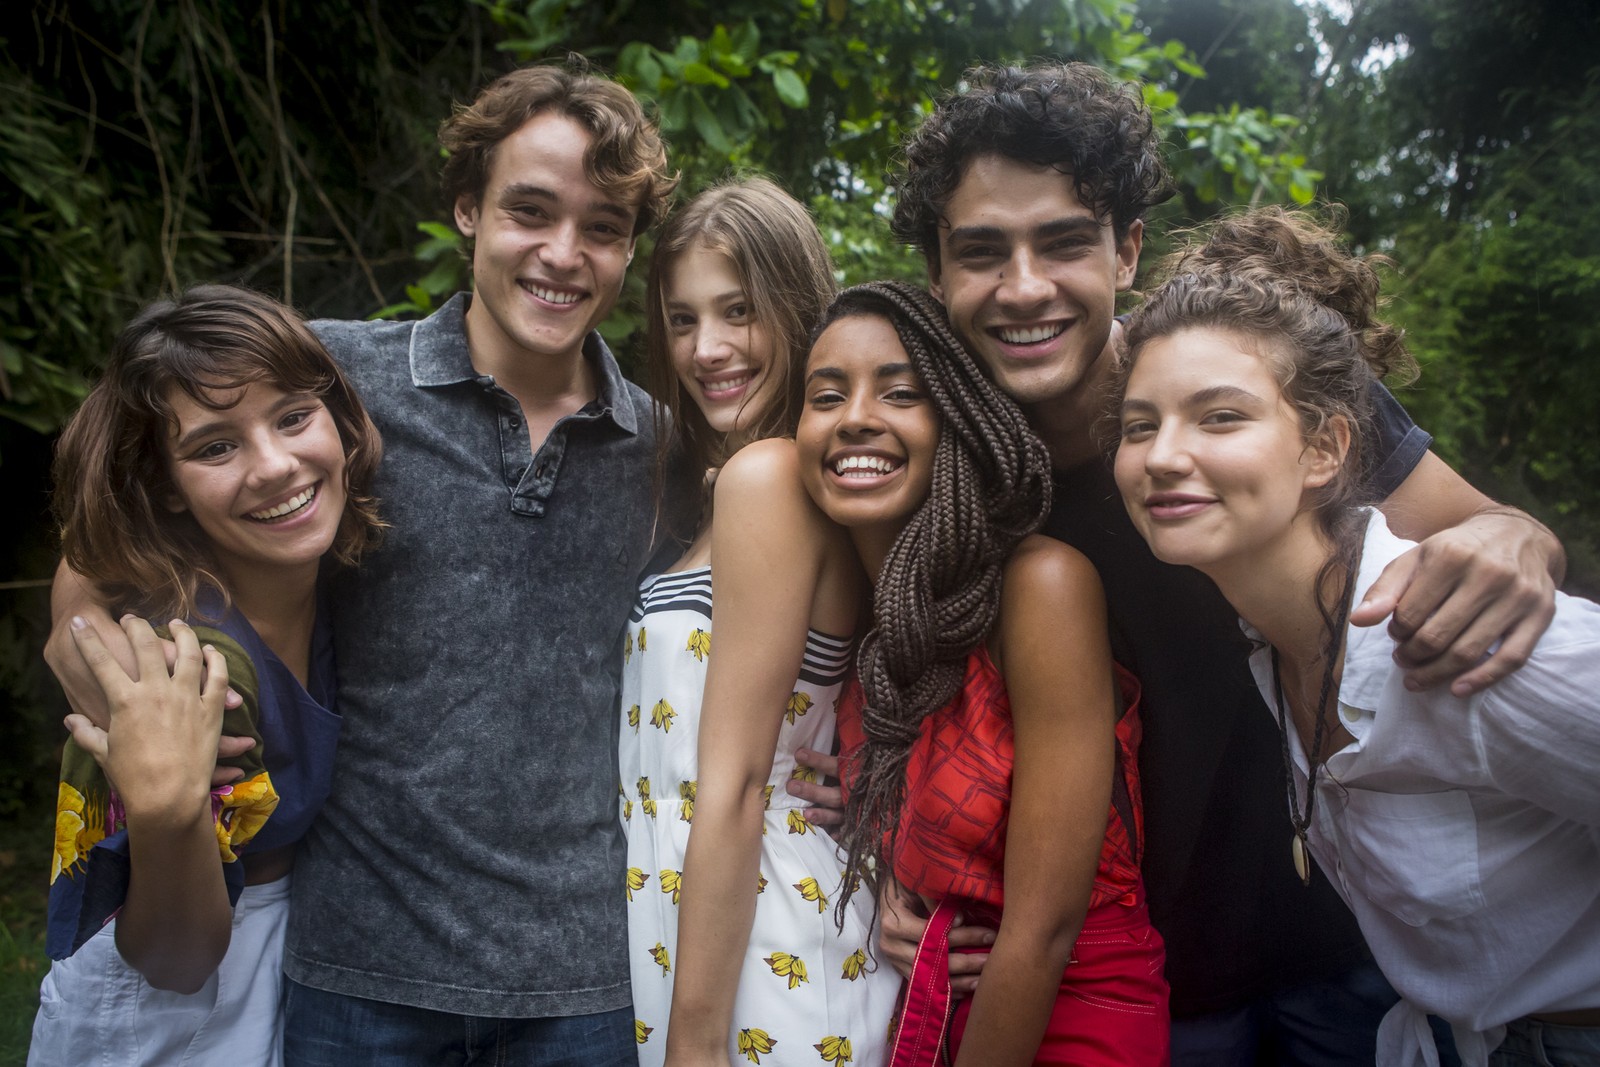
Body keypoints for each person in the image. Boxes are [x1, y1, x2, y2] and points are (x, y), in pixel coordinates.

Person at [824, 60, 1568, 1064]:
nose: (1025, 285)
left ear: (1127, 249)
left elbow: (1487, 532)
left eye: (1064, 242)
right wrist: (900, 864)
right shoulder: (953, 460)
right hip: (1148, 984)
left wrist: (1517, 536)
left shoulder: (1239, 386)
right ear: (939, 274)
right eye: (982, 252)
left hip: (1358, 952)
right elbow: (917, 668)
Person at [43, 60, 682, 1065]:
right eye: (529, 211)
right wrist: (123, 698)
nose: (564, 253)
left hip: (581, 979)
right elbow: (98, 543)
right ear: (467, 209)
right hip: (354, 972)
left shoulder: (659, 443)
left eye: (603, 225)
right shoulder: (335, 386)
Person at [1112, 206, 1600, 1067]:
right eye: (1140, 424)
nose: (1162, 454)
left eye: (1220, 417)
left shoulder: (1461, 638)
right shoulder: (1276, 646)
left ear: (1325, 449)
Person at [797, 280, 1170, 1066]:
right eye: (826, 395)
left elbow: (1044, 926)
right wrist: (885, 878)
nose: (855, 416)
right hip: (934, 997)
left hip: (1073, 1004)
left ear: (960, 421)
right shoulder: (869, 623)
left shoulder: (1041, 587)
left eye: (901, 392)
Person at [30, 285, 384, 1066]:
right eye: (215, 446)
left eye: (293, 415)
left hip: (277, 966)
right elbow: (173, 956)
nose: (275, 465)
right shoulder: (181, 669)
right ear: (165, 486)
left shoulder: (318, 576)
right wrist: (166, 808)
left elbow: (85, 559)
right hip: (165, 1011)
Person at [620, 177, 899, 1066]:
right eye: (682, 318)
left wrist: (692, 1045)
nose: (708, 348)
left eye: (738, 311)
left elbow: (737, 785)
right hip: (703, 919)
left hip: (763, 936)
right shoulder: (741, 486)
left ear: (794, 307)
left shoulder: (770, 478)